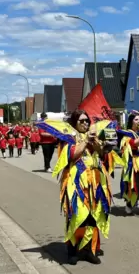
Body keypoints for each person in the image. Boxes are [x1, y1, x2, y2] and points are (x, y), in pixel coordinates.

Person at [36, 109, 118, 265]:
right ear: (75, 123)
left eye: (87, 120)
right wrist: (86, 141)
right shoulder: (69, 138)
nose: (86, 123)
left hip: (95, 183)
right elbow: (72, 155)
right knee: (77, 215)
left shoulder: (93, 137)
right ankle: (74, 250)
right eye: (82, 121)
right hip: (77, 183)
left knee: (93, 216)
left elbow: (101, 155)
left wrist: (102, 146)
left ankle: (89, 250)